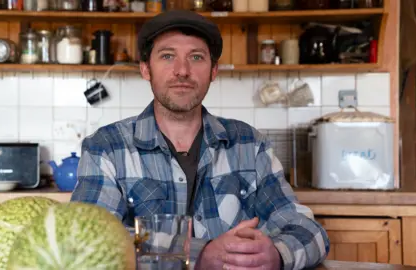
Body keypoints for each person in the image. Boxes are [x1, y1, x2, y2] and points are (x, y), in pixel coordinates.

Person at [71, 10, 330, 270]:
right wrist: (199, 255)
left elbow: (309, 230)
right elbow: (89, 239)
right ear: (145, 69)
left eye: (196, 57)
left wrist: (277, 254)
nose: (182, 71)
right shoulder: (106, 147)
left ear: (213, 70)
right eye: (167, 56)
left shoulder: (250, 144)